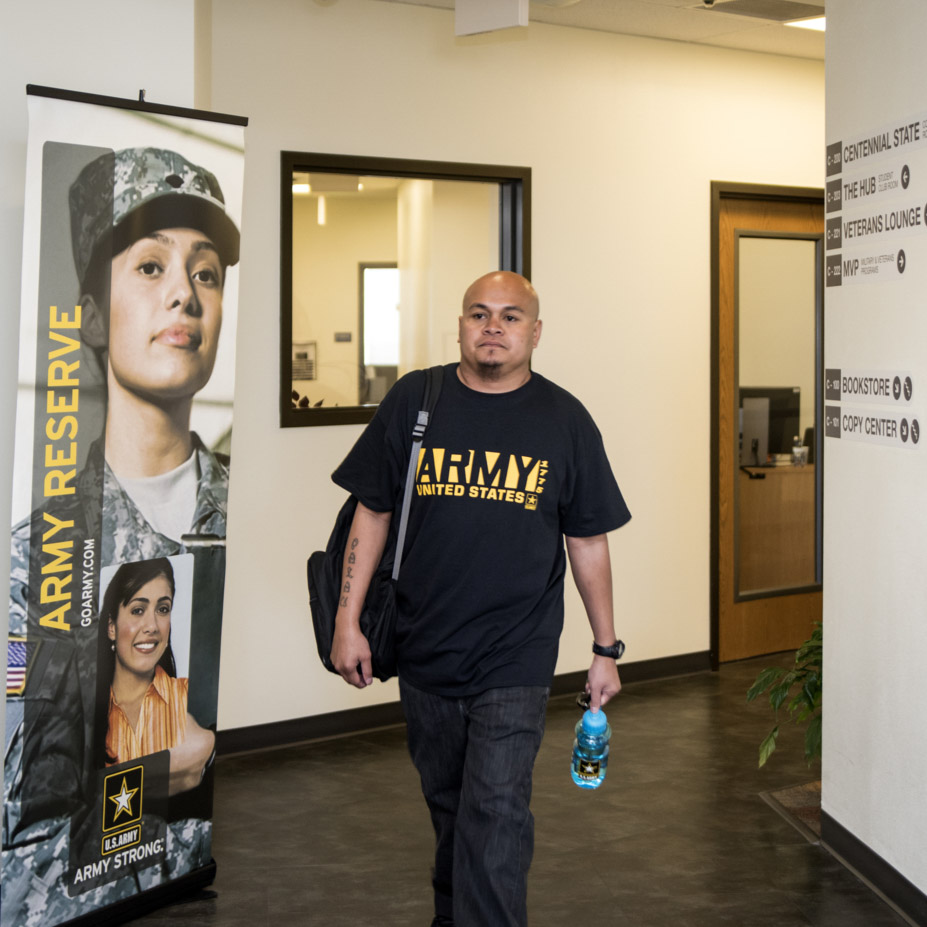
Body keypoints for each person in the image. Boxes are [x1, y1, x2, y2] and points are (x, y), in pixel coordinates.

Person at [329, 271, 631, 927]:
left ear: (535, 331)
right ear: (461, 325)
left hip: (514, 655)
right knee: (450, 806)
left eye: (510, 316)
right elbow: (371, 513)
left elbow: (586, 540)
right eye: (478, 313)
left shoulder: (564, 420)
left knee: (494, 811)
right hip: (424, 645)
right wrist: (346, 620)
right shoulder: (416, 399)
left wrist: (604, 648)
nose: (492, 326)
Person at [3, 146, 238, 925]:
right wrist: (147, 783)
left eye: (205, 272)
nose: (186, 294)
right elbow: (19, 860)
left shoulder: (230, 510)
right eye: (149, 267)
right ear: (93, 315)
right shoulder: (40, 557)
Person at [95, 558, 215, 792]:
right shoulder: (81, 705)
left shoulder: (184, 705)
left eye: (162, 609)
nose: (152, 626)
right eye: (138, 610)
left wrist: (208, 746)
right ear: (111, 627)